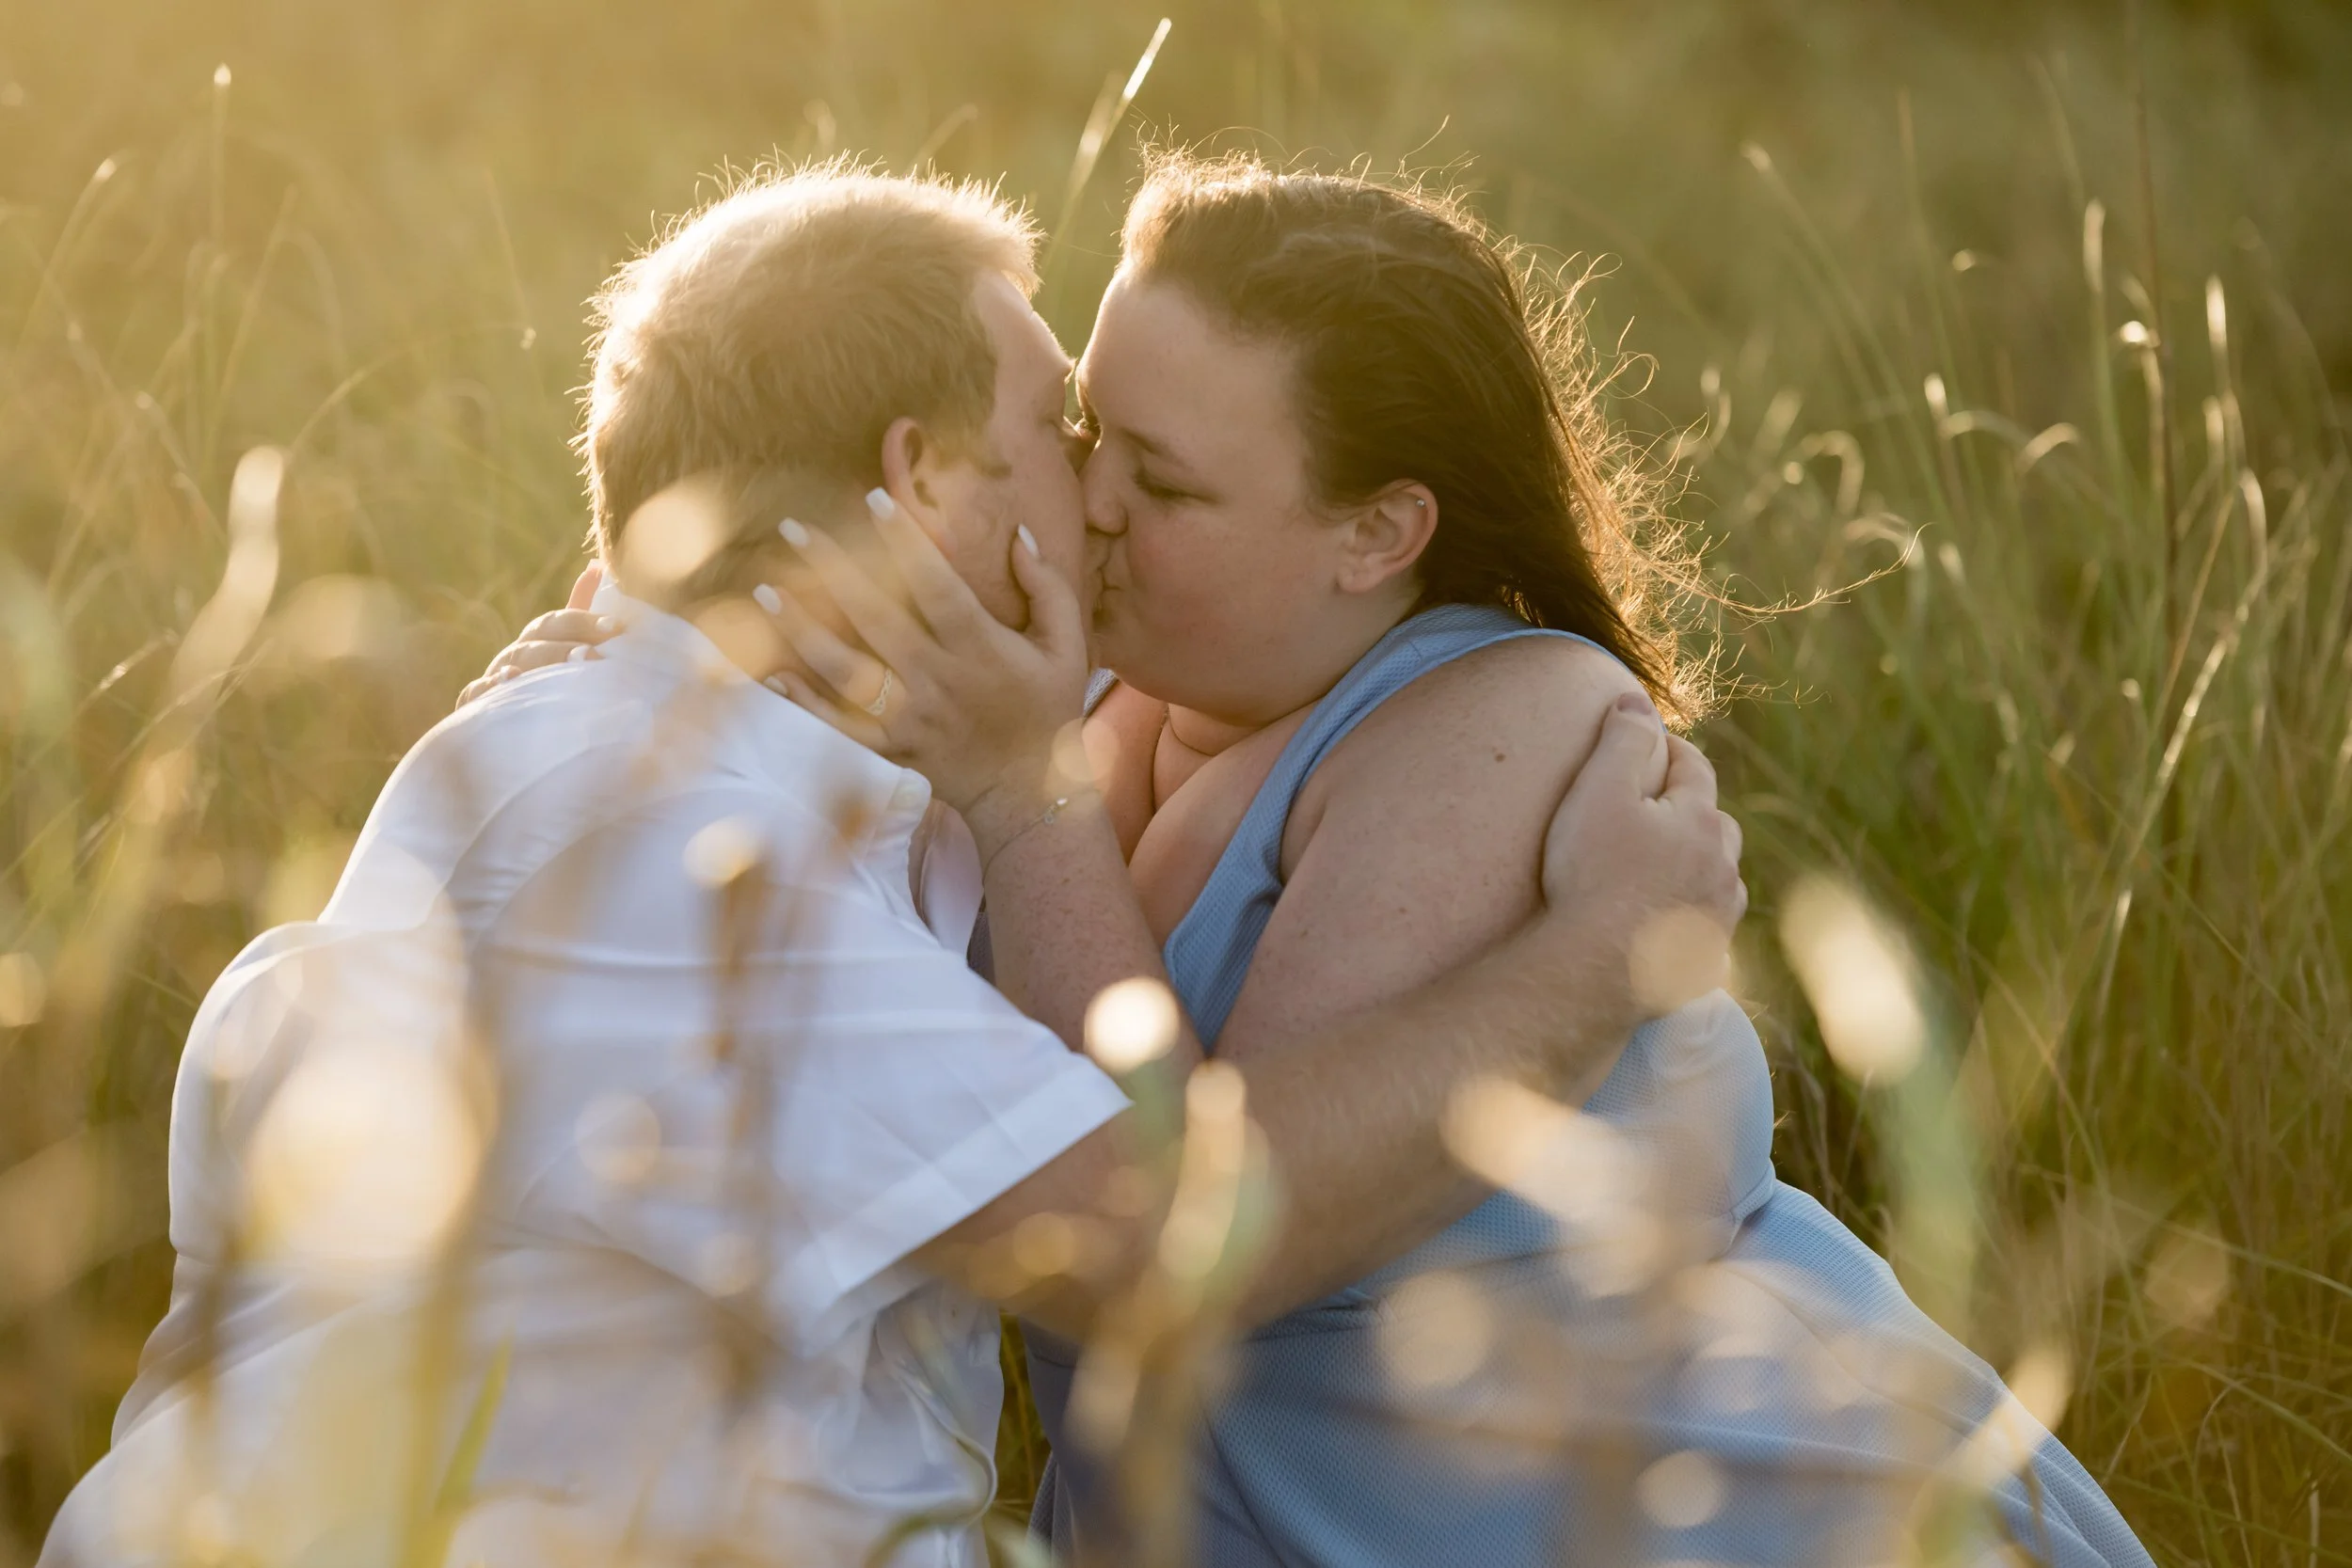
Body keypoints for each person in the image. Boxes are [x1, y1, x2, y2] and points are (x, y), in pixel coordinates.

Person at [43, 164, 1743, 1568]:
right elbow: (1162, 1247)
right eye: (1061, 436)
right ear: (921, 477)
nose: (1088, 506)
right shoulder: (667, 833)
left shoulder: (861, 756)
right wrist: (1606, 953)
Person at [509, 152, 2157, 1566]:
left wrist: (1027, 804)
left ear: (1379, 530)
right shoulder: (1087, 692)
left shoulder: (1497, 721)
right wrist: (630, 665)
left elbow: (1214, 1249)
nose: (1083, 502)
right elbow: (779, 579)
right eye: (1088, 429)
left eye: (1162, 482)